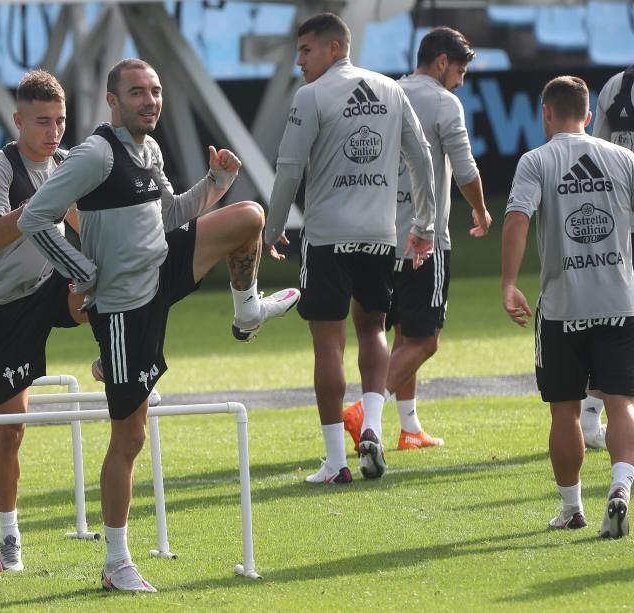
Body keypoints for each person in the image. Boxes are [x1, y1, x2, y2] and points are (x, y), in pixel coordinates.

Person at [19, 58, 299, 592]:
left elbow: (170, 216)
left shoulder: (148, 150)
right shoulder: (94, 155)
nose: (150, 100)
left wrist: (216, 183)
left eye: (155, 90)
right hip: (125, 305)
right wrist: (82, 273)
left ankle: (247, 312)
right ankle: (117, 561)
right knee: (130, 436)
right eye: (137, 92)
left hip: (161, 269)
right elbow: (35, 217)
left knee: (249, 218)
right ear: (112, 101)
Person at [264, 13, 436, 484]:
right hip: (381, 236)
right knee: (375, 329)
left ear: (334, 48)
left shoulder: (312, 96)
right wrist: (425, 224)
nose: (299, 61)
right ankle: (374, 428)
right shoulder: (390, 89)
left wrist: (272, 228)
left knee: (327, 344)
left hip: (326, 236)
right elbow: (421, 158)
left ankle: (336, 461)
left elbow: (288, 169)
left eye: (306, 51)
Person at [341, 27, 491, 453]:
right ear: (441, 61)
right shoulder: (445, 103)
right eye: (459, 70)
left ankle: (409, 428)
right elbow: (464, 169)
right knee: (425, 339)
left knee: (401, 335)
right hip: (423, 240)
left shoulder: (385, 92)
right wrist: (480, 210)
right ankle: (365, 412)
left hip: (377, 236)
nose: (461, 80)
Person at [502, 75, 634, 536]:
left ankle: (572, 509)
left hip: (562, 307)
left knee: (566, 411)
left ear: (545, 112)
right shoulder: (623, 158)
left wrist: (509, 283)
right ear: (590, 115)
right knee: (621, 404)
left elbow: (518, 218)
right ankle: (621, 487)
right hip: (620, 301)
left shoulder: (536, 160)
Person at [0, 70, 86, 572]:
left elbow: (90, 224)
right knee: (10, 428)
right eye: (43, 121)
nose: (54, 131)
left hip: (52, 289)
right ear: (18, 120)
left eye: (60, 121)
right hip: (5, 306)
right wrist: (41, 204)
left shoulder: (68, 164)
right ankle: (9, 535)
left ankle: (115, 356)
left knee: (102, 289)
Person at [579, 64, 634, 449]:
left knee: (613, 319)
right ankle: (593, 416)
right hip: (621, 221)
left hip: (617, 222)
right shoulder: (616, 86)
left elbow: (595, 153)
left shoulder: (617, 86)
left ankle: (588, 416)